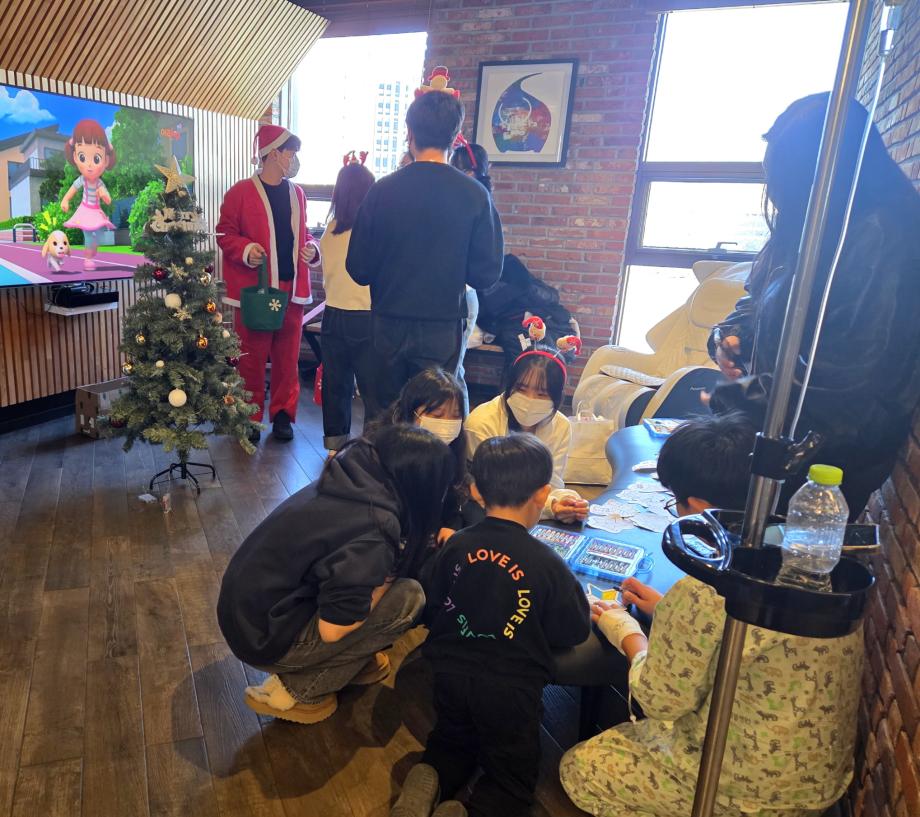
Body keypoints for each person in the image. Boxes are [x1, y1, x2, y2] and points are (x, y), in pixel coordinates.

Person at [559, 413, 863, 817]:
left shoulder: (707, 590)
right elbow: (742, 636)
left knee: (579, 768)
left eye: (676, 500)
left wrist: (627, 631)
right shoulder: (813, 562)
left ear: (700, 507)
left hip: (740, 789)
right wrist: (668, 611)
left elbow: (660, 701)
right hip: (820, 784)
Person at [708, 93, 920, 517]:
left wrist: (737, 396)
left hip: (825, 457)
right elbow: (757, 296)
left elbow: (848, 385)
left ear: (822, 173)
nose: (776, 196)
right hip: (776, 425)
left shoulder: (884, 236)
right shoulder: (812, 222)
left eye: (784, 181)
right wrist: (732, 334)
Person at [217, 424, 455, 725]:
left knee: (376, 598)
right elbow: (333, 630)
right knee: (408, 598)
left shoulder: (352, 475)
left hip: (248, 612)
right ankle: (302, 691)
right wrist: (385, 581)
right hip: (264, 639)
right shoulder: (376, 526)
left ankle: (349, 662)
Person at [408, 434, 590, 817]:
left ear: (476, 491)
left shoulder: (456, 545)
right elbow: (574, 630)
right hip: (511, 686)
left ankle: (428, 778)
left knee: (451, 739)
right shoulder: (548, 562)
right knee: (511, 776)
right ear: (543, 494)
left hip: (448, 672)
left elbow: (431, 602)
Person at [346, 89, 504, 420]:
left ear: (409, 132)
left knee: (384, 416)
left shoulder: (381, 191)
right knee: (435, 419)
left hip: (387, 324)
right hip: (442, 327)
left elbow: (358, 268)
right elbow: (485, 275)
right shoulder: (475, 195)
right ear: (455, 137)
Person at [217, 124, 321, 444]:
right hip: (257, 291)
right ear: (273, 154)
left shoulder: (297, 194)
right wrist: (246, 249)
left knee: (288, 360)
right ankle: (249, 416)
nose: (294, 159)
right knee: (251, 358)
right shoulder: (240, 192)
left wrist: (311, 248)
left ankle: (283, 415)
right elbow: (224, 233)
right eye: (290, 153)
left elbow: (302, 233)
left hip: (292, 289)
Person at [465, 346, 589, 523]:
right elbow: (490, 493)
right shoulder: (481, 423)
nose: (530, 400)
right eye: (521, 389)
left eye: (542, 393)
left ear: (556, 397)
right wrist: (550, 506)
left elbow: (552, 483)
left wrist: (564, 503)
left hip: (534, 512)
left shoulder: (561, 426)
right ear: (510, 385)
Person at [318, 154, 376, 453]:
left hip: (332, 316)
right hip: (366, 317)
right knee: (372, 388)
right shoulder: (374, 230)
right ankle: (372, 447)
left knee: (336, 385)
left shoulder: (330, 229)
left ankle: (334, 447)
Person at [373, 368, 471, 543]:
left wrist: (451, 525)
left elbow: (452, 499)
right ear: (410, 413)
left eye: (455, 416)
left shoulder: (453, 449)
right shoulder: (382, 452)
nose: (446, 423)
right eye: (437, 415)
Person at [450, 138, 491, 414]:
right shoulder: (479, 203)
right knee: (453, 370)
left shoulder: (473, 204)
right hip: (461, 296)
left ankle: (460, 428)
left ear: (469, 173)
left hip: (462, 297)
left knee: (452, 373)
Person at [61, 119, 116, 272]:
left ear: (105, 160)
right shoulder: (82, 180)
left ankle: (92, 248)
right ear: (75, 157)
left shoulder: (99, 183)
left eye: (96, 159)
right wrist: (65, 200)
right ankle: (88, 258)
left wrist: (104, 195)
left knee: (99, 234)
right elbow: (72, 189)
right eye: (83, 157)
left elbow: (108, 199)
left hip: (96, 211)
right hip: (85, 210)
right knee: (88, 235)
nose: (89, 165)